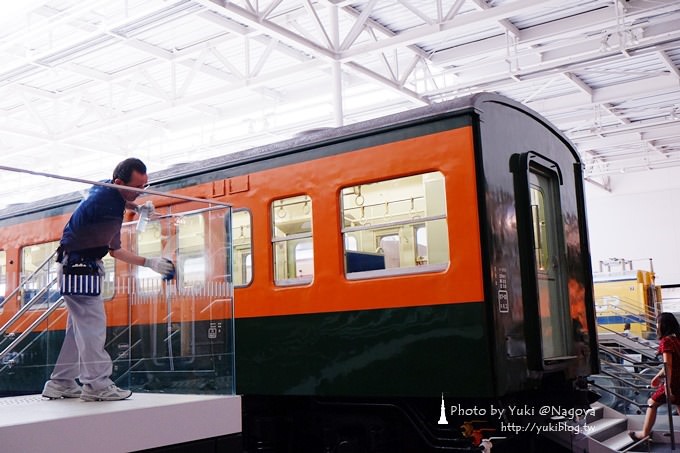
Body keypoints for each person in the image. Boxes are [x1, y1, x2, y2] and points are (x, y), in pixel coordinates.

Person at [42, 158, 174, 402]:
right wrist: (150, 262)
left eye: (145, 186)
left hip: (74, 266)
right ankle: (97, 385)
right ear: (119, 182)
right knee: (93, 328)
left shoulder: (102, 188)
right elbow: (116, 250)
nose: (141, 191)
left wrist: (136, 205)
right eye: (137, 187)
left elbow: (122, 199)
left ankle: (60, 382)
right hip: (81, 269)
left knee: (77, 331)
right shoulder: (108, 210)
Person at [630, 312, 680, 441]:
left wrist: (667, 386)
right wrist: (657, 377)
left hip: (673, 380)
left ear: (663, 325)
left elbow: (668, 365)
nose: (656, 325)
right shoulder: (677, 339)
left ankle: (644, 433)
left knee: (652, 402)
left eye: (658, 323)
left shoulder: (666, 341)